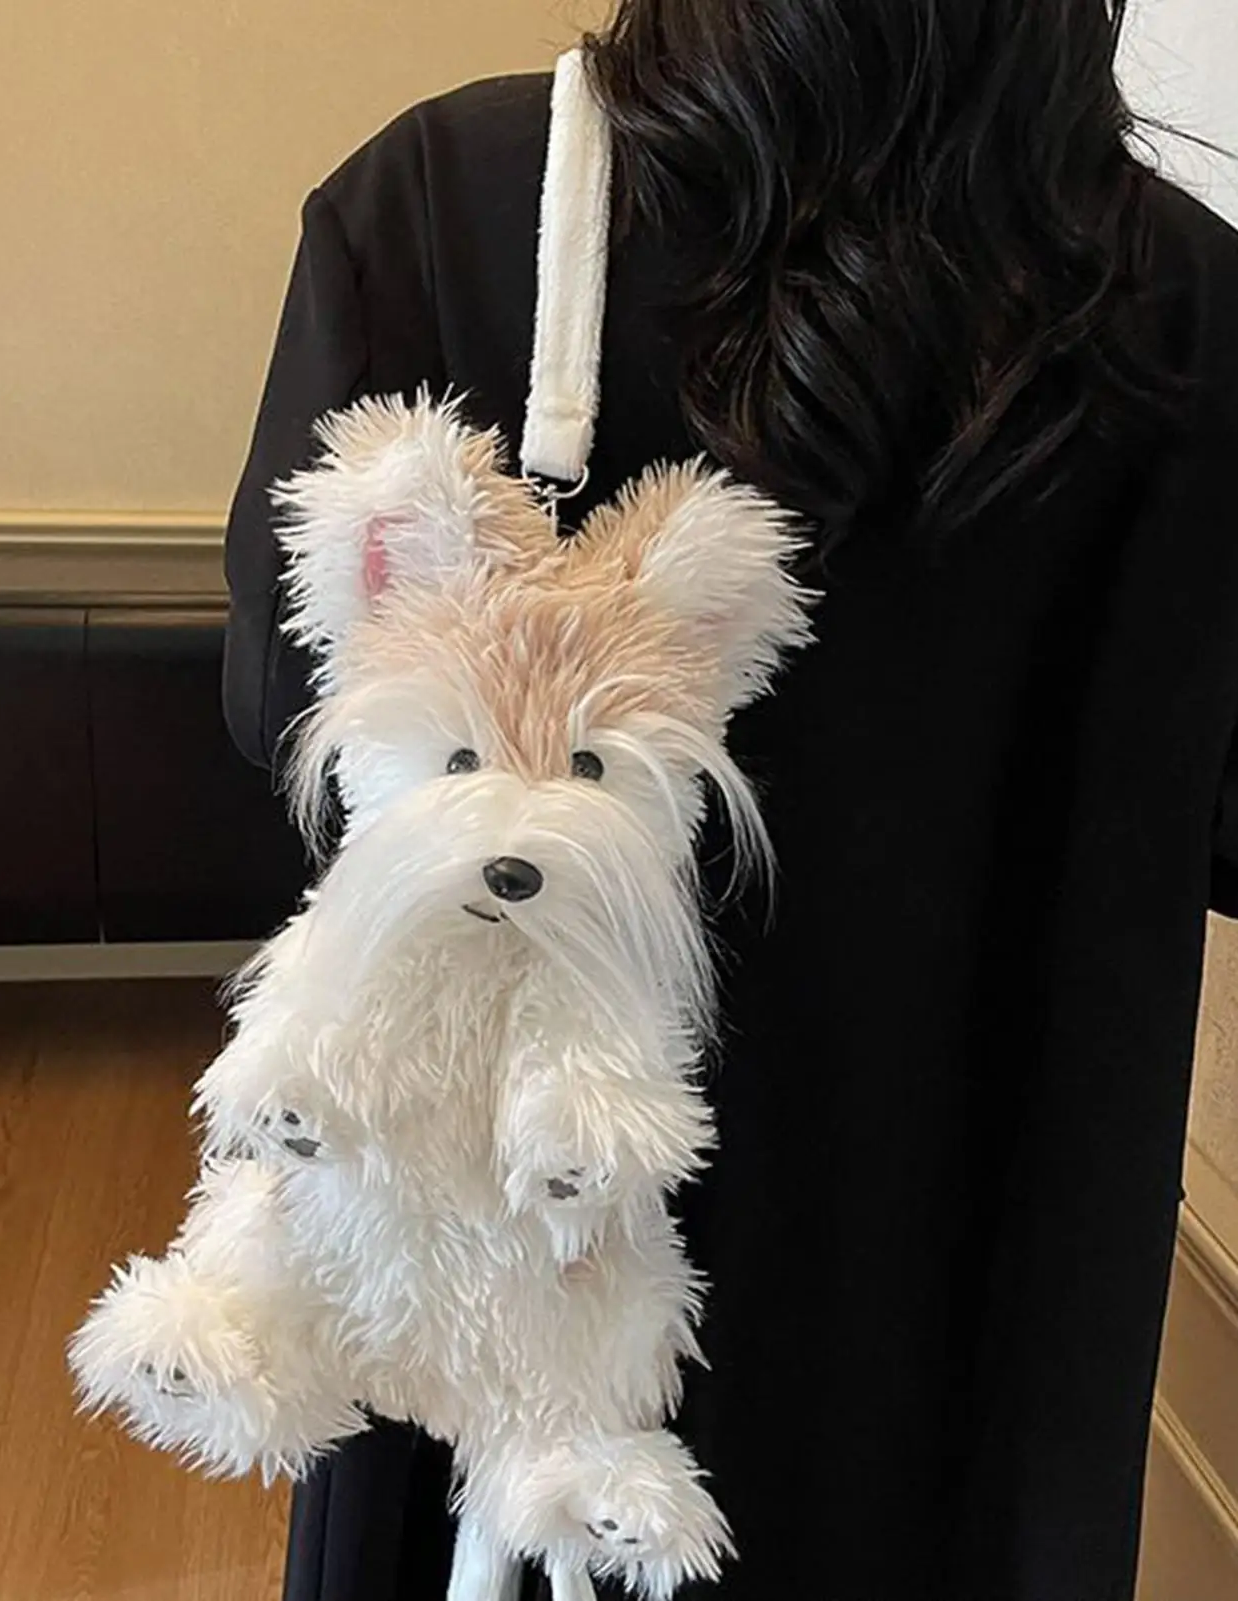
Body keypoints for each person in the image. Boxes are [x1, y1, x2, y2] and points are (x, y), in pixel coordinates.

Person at [221, 3, 1238, 1598]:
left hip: (502, 1248)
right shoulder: (1183, 305)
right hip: (975, 1265)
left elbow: (288, 713)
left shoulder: (445, 200)